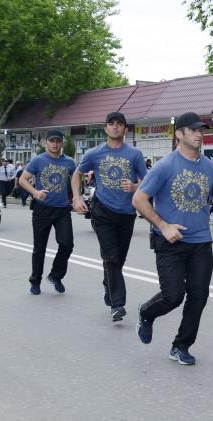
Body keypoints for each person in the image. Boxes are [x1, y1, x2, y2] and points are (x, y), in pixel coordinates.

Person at [132, 111, 213, 366]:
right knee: (173, 296)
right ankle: (146, 312)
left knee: (199, 296)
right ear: (179, 134)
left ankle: (181, 346)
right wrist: (163, 225)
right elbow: (139, 199)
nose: (199, 134)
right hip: (170, 242)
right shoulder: (165, 166)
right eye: (193, 130)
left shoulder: (211, 168)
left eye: (201, 130)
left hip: (201, 242)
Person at [71, 112, 148, 322]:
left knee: (118, 259)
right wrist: (77, 197)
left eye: (119, 124)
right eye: (111, 124)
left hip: (127, 213)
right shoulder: (94, 153)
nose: (115, 127)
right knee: (111, 257)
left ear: (125, 129)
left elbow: (148, 180)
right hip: (103, 211)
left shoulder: (135, 154)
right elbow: (77, 174)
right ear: (106, 128)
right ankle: (117, 304)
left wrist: (135, 186)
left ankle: (109, 285)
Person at [18, 130, 77, 295]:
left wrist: (76, 197)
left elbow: (76, 179)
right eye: (52, 141)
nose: (55, 144)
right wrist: (35, 193)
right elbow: (22, 180)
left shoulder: (69, 162)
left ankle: (55, 275)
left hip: (62, 209)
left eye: (58, 141)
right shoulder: (38, 160)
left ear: (62, 143)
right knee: (40, 248)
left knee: (67, 244)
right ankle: (35, 281)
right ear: (47, 143)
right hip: (42, 209)